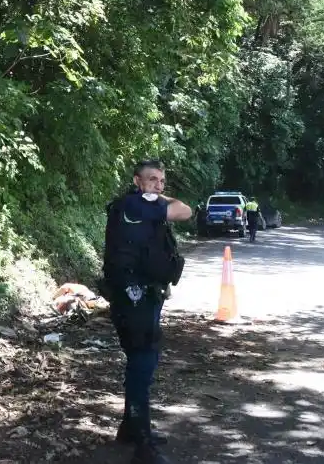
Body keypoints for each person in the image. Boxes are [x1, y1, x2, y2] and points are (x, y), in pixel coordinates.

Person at [101, 159, 192, 464]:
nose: (158, 186)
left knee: (141, 360)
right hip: (133, 298)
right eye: (152, 179)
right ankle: (142, 444)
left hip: (141, 296)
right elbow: (185, 210)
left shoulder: (137, 205)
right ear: (137, 181)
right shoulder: (136, 205)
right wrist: (158, 197)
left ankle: (130, 428)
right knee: (143, 362)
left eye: (162, 181)